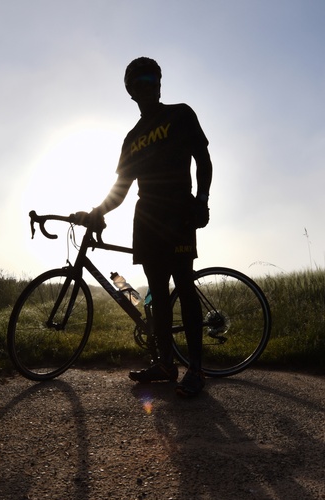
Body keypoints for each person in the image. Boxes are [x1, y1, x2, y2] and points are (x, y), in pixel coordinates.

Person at [80, 57, 212, 397]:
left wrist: (202, 201)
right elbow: (121, 189)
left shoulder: (180, 114)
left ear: (159, 83)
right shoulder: (132, 138)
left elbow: (203, 159)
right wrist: (98, 210)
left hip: (179, 213)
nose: (146, 85)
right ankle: (167, 365)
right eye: (138, 80)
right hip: (147, 219)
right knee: (157, 297)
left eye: (152, 77)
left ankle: (196, 370)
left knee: (183, 285)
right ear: (130, 90)